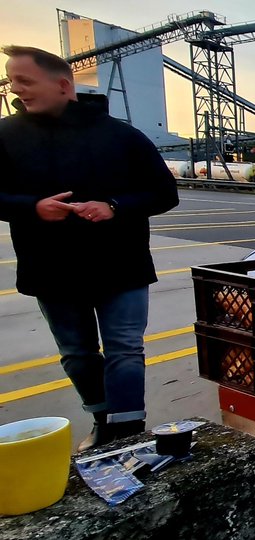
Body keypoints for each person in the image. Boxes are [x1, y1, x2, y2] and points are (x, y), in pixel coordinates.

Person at [0, 45, 179, 451]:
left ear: (63, 86)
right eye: (12, 81)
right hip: (50, 268)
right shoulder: (5, 136)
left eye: (24, 81)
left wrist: (114, 206)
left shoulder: (121, 135)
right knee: (77, 353)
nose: (16, 89)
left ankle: (128, 431)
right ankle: (101, 421)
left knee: (125, 350)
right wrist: (32, 208)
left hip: (121, 265)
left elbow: (164, 192)